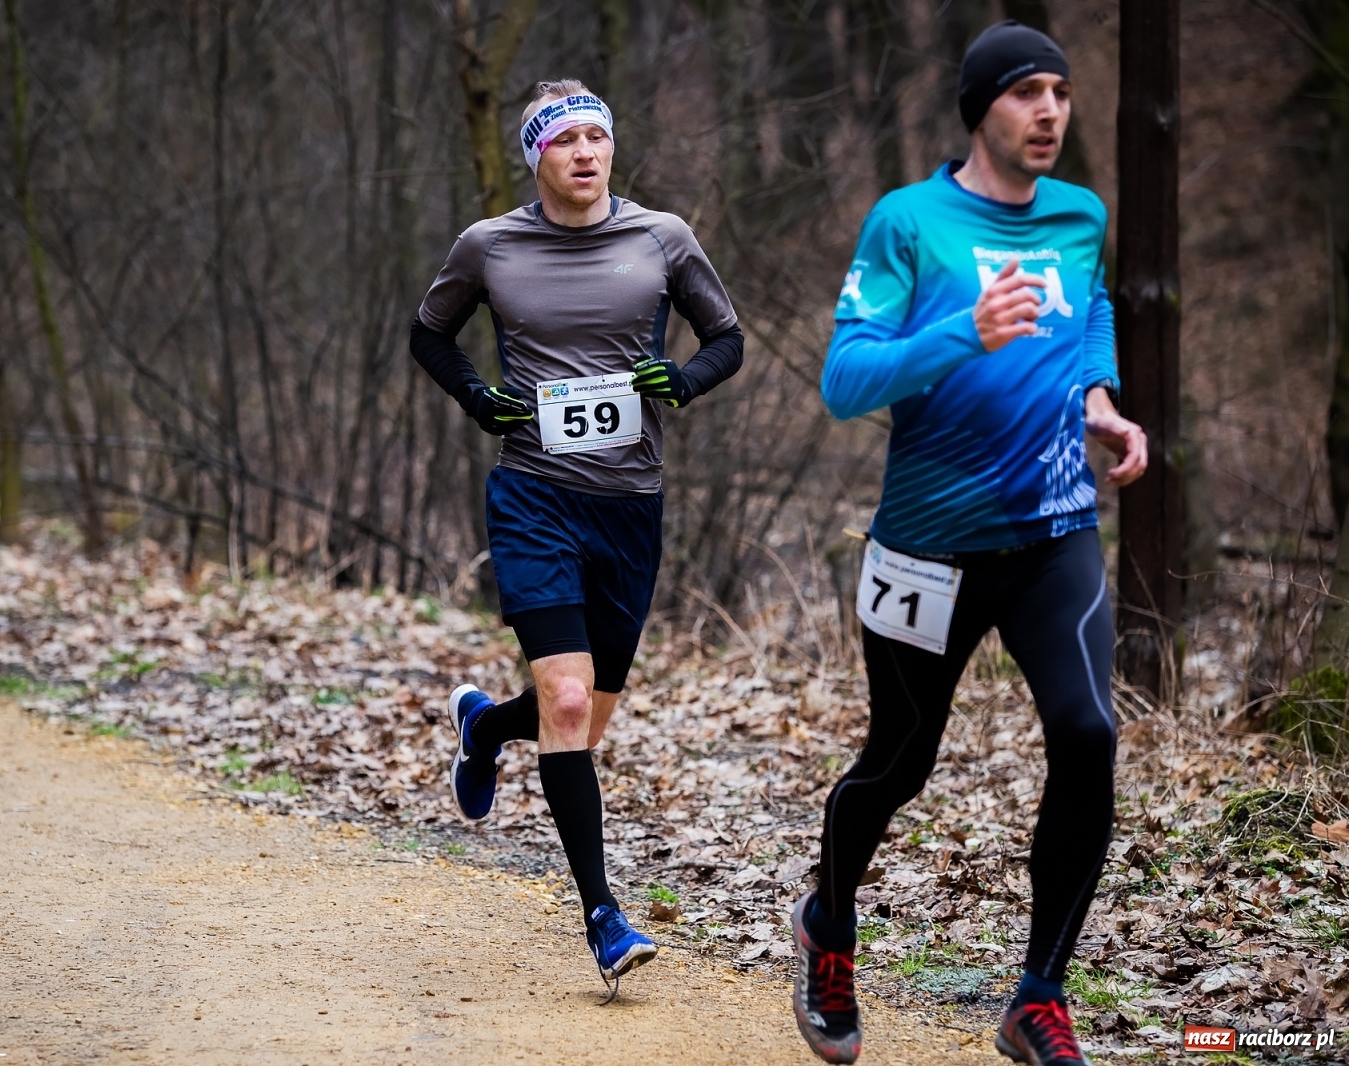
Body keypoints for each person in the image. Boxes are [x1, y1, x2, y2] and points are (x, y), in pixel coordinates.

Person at [793, 21, 1148, 1066]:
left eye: (1061, 92)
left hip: (1052, 534)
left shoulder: (1079, 214)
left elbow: (1088, 311)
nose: (1048, 111)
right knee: (898, 763)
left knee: (1087, 733)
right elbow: (844, 381)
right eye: (1026, 92)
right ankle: (829, 925)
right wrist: (961, 334)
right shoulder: (907, 223)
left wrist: (1099, 400)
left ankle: (1038, 996)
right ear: (979, 107)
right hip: (927, 546)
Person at [409, 80, 744, 995]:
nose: (587, 152)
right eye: (567, 140)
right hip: (534, 494)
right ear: (538, 158)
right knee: (564, 704)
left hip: (631, 505)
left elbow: (727, 338)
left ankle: (483, 726)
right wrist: (477, 398)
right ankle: (603, 917)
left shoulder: (662, 238)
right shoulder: (491, 246)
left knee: (582, 718)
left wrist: (682, 381)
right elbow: (429, 334)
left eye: (599, 135)